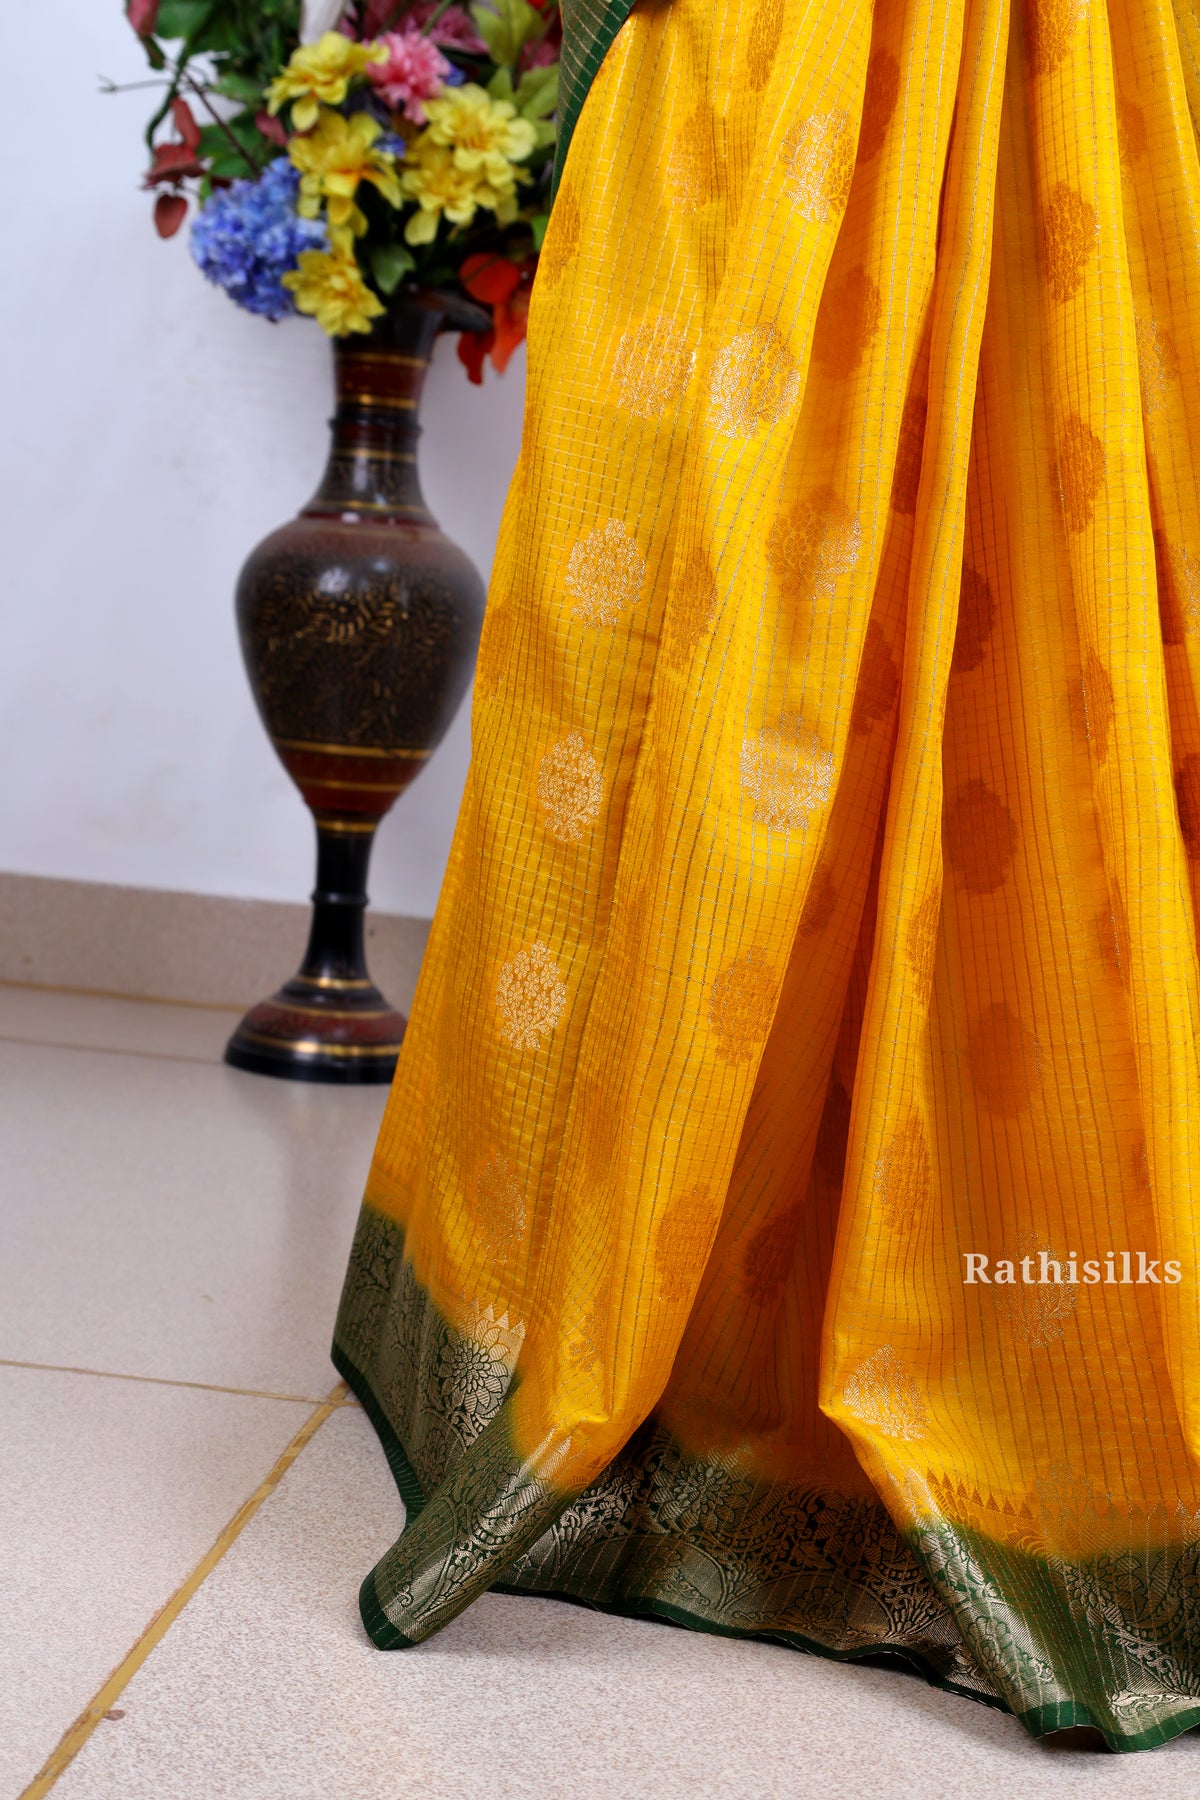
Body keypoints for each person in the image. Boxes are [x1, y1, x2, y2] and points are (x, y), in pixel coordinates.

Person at [333, 0, 1200, 1751]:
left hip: (1038, 86)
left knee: (984, 651)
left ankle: (929, 1365)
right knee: (731, 669)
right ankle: (734, 1332)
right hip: (907, 79)